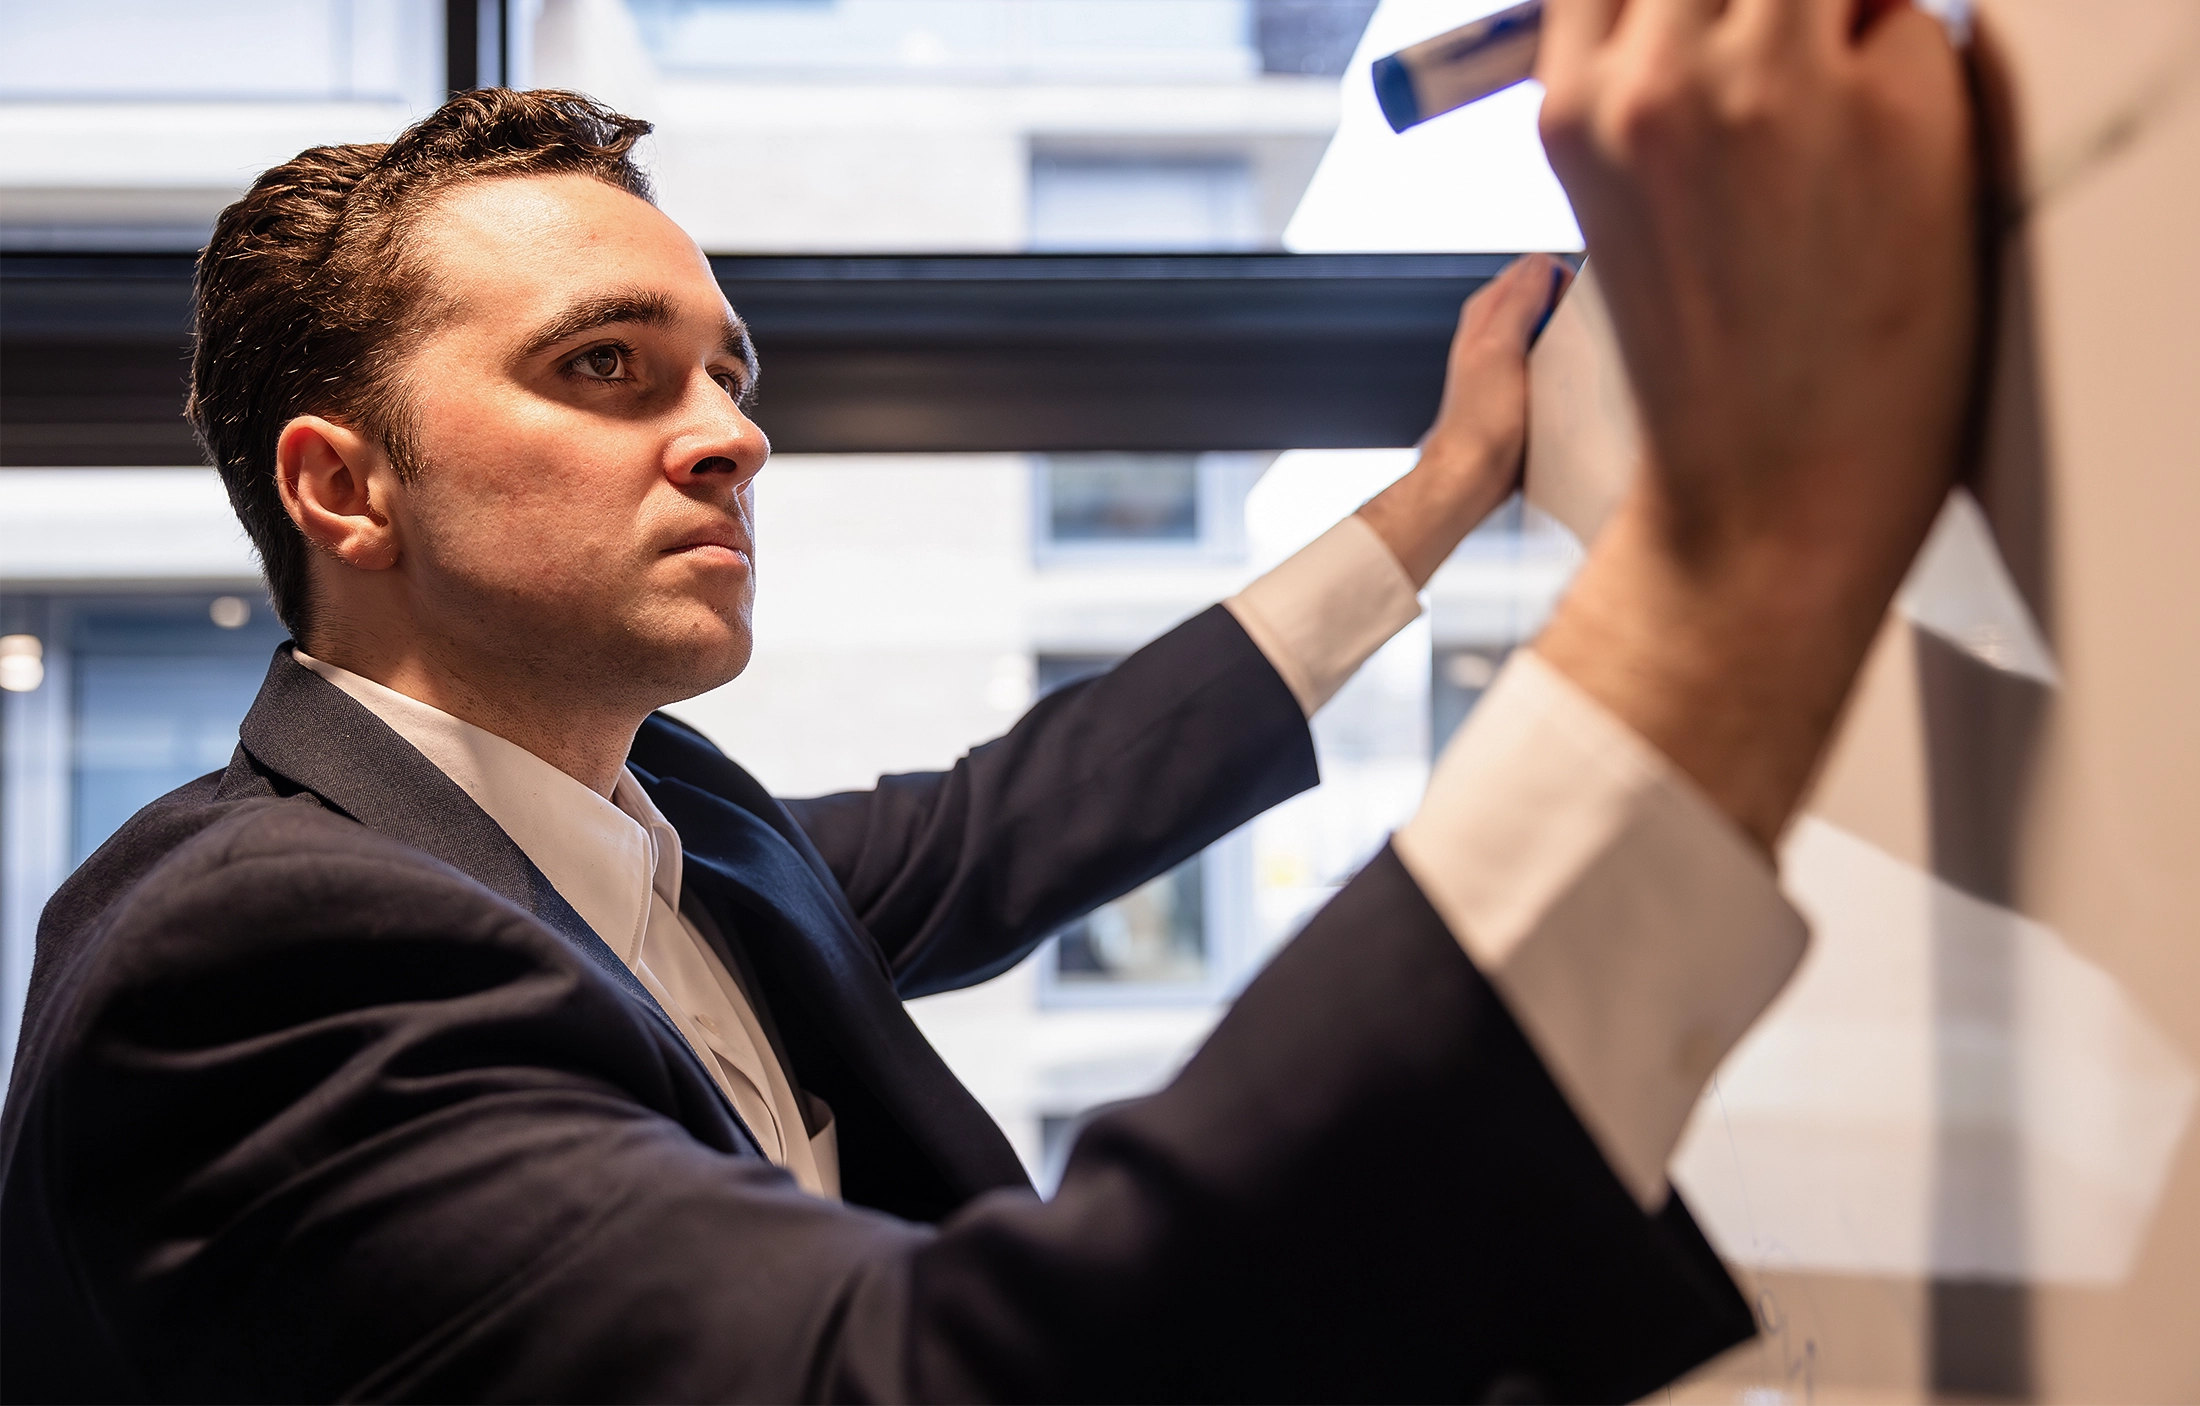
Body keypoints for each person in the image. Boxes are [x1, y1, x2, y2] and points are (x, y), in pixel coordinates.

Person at [0, 0, 1977, 1400]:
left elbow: (1034, 808)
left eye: (727, 373)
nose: (730, 439)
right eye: (605, 366)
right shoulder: (244, 956)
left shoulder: (662, 822)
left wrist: (1436, 497)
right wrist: (1738, 556)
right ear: (344, 487)